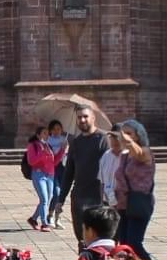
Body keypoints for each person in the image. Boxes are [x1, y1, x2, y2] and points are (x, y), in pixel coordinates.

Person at [56, 106, 108, 250]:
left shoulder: (103, 140)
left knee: (100, 241)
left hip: (99, 198)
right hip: (79, 198)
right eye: (79, 117)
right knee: (82, 241)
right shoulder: (76, 142)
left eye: (85, 116)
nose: (82, 120)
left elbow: (110, 171)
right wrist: (60, 200)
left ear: (93, 118)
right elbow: (68, 173)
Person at [112, 119, 157, 255]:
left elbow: (139, 154)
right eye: (123, 133)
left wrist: (127, 140)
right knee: (124, 244)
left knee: (134, 243)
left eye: (129, 133)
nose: (125, 136)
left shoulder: (145, 152)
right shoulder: (124, 156)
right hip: (123, 204)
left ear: (138, 135)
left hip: (139, 202)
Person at [25, 127, 58, 232]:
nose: (47, 135)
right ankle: (44, 223)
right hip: (39, 174)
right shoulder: (33, 145)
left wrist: (62, 150)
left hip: (50, 175)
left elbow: (54, 162)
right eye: (44, 133)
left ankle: (33, 219)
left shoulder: (48, 146)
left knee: (48, 199)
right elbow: (31, 161)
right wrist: (41, 153)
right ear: (38, 135)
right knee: (44, 199)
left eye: (48, 133)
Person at [45, 120, 69, 229]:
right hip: (52, 169)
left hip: (63, 169)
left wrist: (67, 149)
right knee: (56, 192)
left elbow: (67, 157)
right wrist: (62, 150)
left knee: (62, 194)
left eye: (59, 129)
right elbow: (53, 159)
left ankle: (58, 217)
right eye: (54, 129)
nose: (56, 131)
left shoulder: (64, 140)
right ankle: (50, 215)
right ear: (50, 130)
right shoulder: (47, 141)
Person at [98, 132, 124, 205]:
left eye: (117, 144)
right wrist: (101, 202)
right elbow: (101, 181)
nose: (114, 147)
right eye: (112, 143)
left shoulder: (129, 157)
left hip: (123, 204)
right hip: (107, 201)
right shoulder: (106, 156)